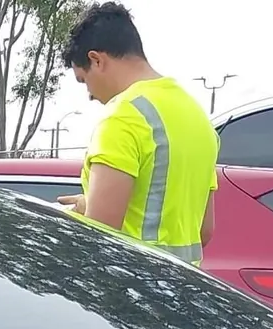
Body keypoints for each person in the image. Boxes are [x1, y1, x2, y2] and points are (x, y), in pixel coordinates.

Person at [56, 3, 219, 265]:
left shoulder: (122, 117)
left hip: (131, 284)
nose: (89, 95)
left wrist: (83, 210)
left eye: (83, 80)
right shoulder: (197, 116)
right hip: (185, 285)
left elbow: (100, 234)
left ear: (96, 60)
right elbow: (205, 230)